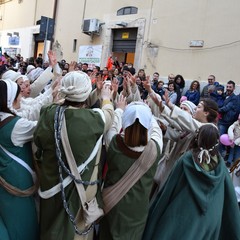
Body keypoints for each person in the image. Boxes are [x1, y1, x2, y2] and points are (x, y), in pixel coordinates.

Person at [34, 71, 114, 240]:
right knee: (77, 231)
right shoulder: (95, 119)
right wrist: (105, 97)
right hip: (82, 191)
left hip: (51, 185)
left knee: (50, 224)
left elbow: (39, 141)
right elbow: (109, 114)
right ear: (85, 95)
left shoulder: (48, 113)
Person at [143, 124, 240, 240]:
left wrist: (153, 217)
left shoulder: (186, 160)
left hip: (179, 215)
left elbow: (168, 190)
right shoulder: (222, 167)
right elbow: (230, 202)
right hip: (208, 221)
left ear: (197, 138)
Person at [99, 101, 163, 240]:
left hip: (112, 204)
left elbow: (113, 125)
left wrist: (120, 109)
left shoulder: (114, 143)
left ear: (125, 122)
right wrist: (147, 112)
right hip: (137, 208)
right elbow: (155, 128)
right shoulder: (155, 147)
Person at [0, 80, 39, 240]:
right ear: (9, 99)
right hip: (17, 183)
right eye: (18, 96)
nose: (20, 99)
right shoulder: (15, 126)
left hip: (5, 179)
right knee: (21, 222)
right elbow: (43, 128)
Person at [218, 80, 238, 158]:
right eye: (227, 87)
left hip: (227, 122)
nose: (228, 88)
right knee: (220, 138)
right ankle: (222, 154)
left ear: (234, 88)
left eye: (230, 87)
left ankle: (222, 154)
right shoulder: (227, 95)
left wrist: (215, 109)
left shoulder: (234, 98)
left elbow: (226, 108)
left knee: (221, 138)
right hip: (222, 120)